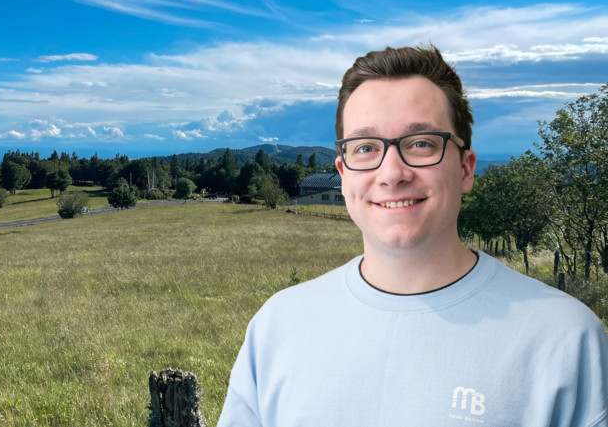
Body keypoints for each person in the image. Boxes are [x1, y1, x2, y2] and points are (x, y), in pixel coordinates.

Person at [217, 45, 608, 426]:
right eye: (366, 147)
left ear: (465, 169)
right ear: (343, 172)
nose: (392, 173)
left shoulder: (565, 341)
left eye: (421, 143)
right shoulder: (278, 326)